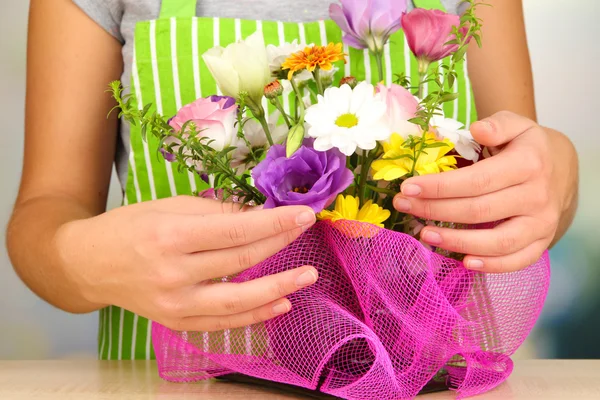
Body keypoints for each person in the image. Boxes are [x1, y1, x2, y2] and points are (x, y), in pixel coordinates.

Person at [6, 0, 578, 360]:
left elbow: (516, 190)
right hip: (175, 382)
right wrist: (78, 260)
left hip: (422, 378)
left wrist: (558, 176)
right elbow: (45, 210)